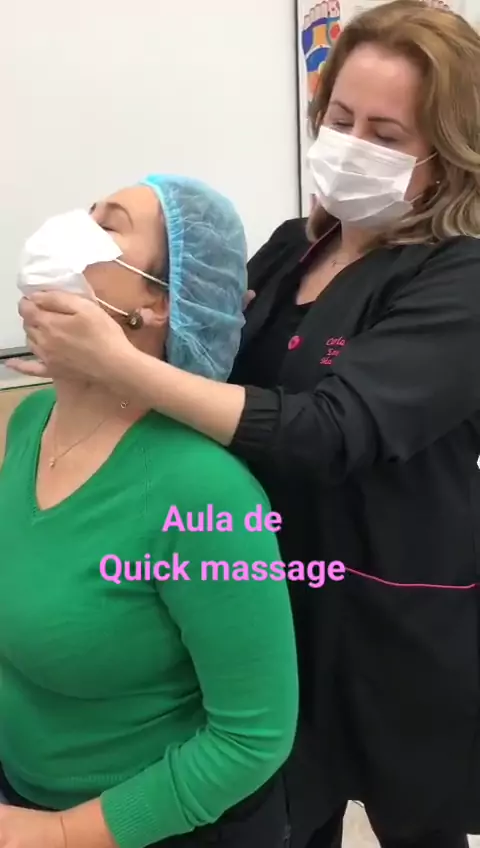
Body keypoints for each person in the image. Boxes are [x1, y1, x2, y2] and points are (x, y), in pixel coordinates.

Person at [10, 1, 480, 846]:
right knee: (291, 800)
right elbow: (203, 346)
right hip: (254, 578)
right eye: (339, 119)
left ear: (446, 154)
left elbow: (330, 429)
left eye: (385, 134)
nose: (350, 144)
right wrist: (90, 376)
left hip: (386, 607)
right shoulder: (293, 248)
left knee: (413, 812)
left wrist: (120, 363)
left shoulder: (460, 278)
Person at [0, 174, 299, 848]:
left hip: (153, 826)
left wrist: (60, 833)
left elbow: (252, 739)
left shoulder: (206, 493)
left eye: (108, 224)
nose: (70, 227)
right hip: (24, 789)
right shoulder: (32, 421)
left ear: (160, 303)